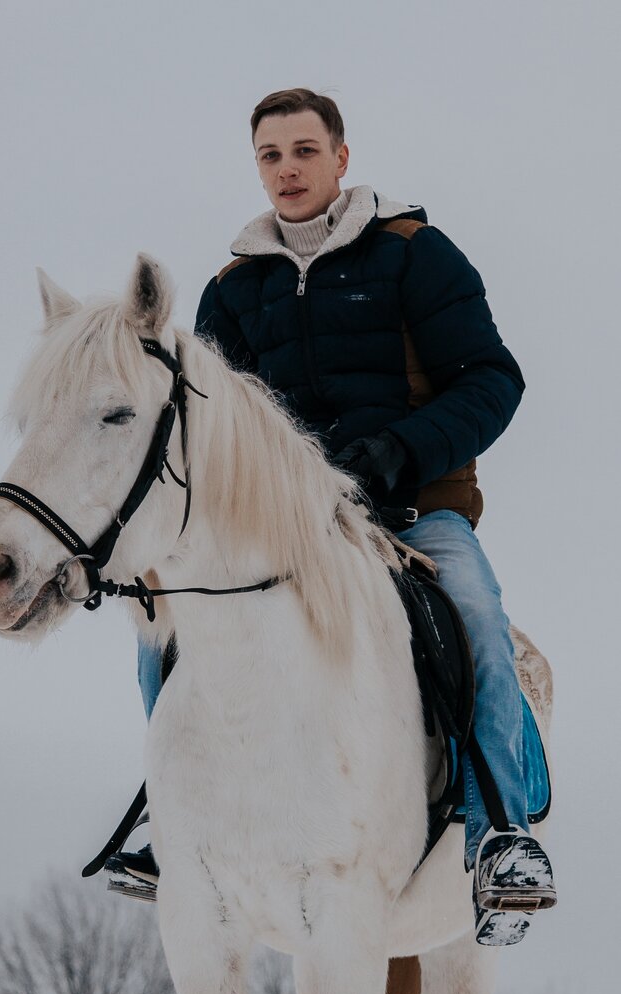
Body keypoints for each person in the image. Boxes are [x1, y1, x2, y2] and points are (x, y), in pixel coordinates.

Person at [107, 88, 556, 946]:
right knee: (160, 634)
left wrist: (400, 451)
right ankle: (171, 822)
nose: (288, 170)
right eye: (271, 156)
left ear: (341, 160)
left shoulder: (415, 254)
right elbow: (213, 424)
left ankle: (503, 833)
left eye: (305, 151)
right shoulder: (234, 290)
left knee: (478, 624)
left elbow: (494, 380)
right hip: (284, 529)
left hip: (411, 510)